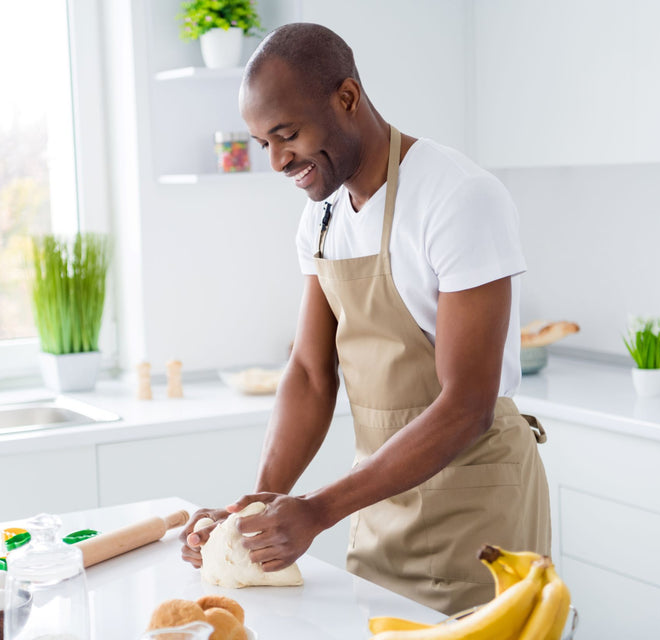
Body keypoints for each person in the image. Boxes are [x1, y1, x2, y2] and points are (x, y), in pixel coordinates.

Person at [180, 22, 551, 615]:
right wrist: (256, 505)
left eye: (287, 134)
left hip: (477, 508)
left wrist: (320, 509)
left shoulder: (457, 198)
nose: (277, 161)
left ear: (346, 98)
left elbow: (468, 403)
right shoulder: (322, 219)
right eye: (263, 143)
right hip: (378, 503)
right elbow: (308, 371)